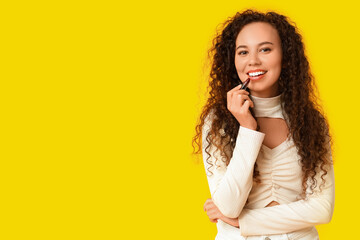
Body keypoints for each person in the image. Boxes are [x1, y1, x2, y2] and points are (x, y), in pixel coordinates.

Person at [192, 9, 335, 240]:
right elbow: (228, 207)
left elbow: (322, 209)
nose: (253, 60)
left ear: (286, 57)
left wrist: (243, 221)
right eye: (243, 52)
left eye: (265, 49)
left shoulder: (311, 122)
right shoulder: (217, 121)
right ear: (233, 60)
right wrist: (247, 129)